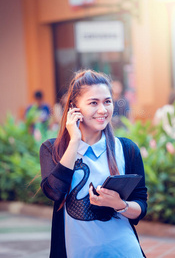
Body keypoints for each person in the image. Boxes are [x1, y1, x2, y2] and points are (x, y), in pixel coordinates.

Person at [39, 70, 147, 258]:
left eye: (107, 101)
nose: (103, 110)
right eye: (93, 103)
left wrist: (119, 204)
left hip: (124, 251)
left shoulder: (127, 149)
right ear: (74, 107)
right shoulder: (53, 149)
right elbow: (54, 192)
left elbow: (141, 207)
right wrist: (74, 142)